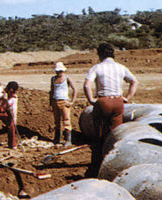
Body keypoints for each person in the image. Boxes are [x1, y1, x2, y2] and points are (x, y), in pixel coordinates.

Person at [83, 43, 138, 177]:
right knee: (115, 134)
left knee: (99, 135)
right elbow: (134, 82)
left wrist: (91, 100)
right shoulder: (121, 67)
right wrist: (127, 97)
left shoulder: (97, 67)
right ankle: (114, 165)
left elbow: (86, 85)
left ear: (100, 54)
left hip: (103, 101)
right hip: (118, 102)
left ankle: (96, 167)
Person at [49, 62, 77, 146]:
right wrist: (50, 102)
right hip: (55, 101)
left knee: (66, 121)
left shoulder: (67, 78)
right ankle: (57, 139)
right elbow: (52, 91)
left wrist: (72, 101)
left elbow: (75, 89)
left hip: (64, 102)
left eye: (60, 71)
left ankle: (68, 140)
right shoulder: (53, 79)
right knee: (57, 122)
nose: (59, 72)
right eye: (57, 71)